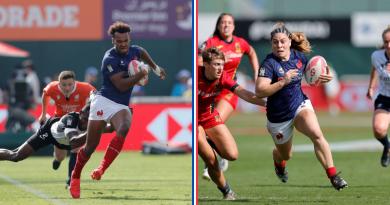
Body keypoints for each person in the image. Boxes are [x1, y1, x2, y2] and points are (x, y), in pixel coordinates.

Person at [69, 21, 166, 199]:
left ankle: (101, 169)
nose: (123, 44)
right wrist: (140, 74)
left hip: (121, 105)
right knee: (90, 147)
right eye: (119, 41)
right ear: (113, 40)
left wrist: (155, 68)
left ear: (129, 39)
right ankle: (75, 177)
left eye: (126, 40)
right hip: (103, 101)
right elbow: (121, 86)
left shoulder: (134, 50)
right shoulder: (109, 59)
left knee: (124, 127)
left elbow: (142, 52)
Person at [255, 22, 347, 190]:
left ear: (290, 41)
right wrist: (283, 81)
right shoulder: (269, 64)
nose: (279, 45)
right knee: (286, 154)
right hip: (278, 118)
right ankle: (278, 161)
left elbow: (310, 76)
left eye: (283, 41)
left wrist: (321, 77)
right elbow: (260, 91)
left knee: (316, 134)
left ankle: (333, 175)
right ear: (271, 44)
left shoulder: (298, 57)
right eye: (275, 42)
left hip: (299, 105)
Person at [198, 13, 260, 180]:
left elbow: (252, 52)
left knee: (215, 123)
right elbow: (199, 58)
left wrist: (256, 73)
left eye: (229, 23)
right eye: (223, 22)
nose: (226, 25)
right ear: (218, 26)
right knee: (204, 129)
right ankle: (213, 160)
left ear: (233, 26)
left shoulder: (240, 43)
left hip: (228, 90)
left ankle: (217, 159)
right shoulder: (211, 43)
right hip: (210, 90)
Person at [198, 47, 265, 200]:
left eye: (221, 64)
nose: (220, 68)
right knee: (211, 160)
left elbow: (244, 93)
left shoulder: (223, 77)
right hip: (194, 122)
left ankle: (209, 141)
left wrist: (267, 103)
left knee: (232, 155)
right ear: (206, 65)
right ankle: (226, 191)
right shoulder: (196, 74)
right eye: (216, 64)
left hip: (209, 117)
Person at [38, 70, 95, 188]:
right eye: (64, 85)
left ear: (74, 82)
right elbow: (45, 94)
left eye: (70, 84)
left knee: (76, 148)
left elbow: (96, 96)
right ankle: (57, 159)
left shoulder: (85, 88)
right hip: (60, 122)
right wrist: (43, 114)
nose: (67, 88)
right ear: (59, 83)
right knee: (60, 155)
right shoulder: (52, 87)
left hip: (77, 121)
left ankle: (70, 180)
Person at [0, 104, 90, 165]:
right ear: (81, 113)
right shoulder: (71, 119)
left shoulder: (95, 122)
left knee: (61, 157)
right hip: (49, 132)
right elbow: (74, 141)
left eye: (89, 121)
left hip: (64, 142)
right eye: (85, 119)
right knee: (17, 155)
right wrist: (93, 131)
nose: (86, 123)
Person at [366, 25, 390, 167]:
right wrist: (370, 87)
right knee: (378, 130)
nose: (389, 45)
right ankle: (387, 146)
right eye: (386, 42)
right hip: (385, 98)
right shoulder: (377, 56)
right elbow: (374, 68)